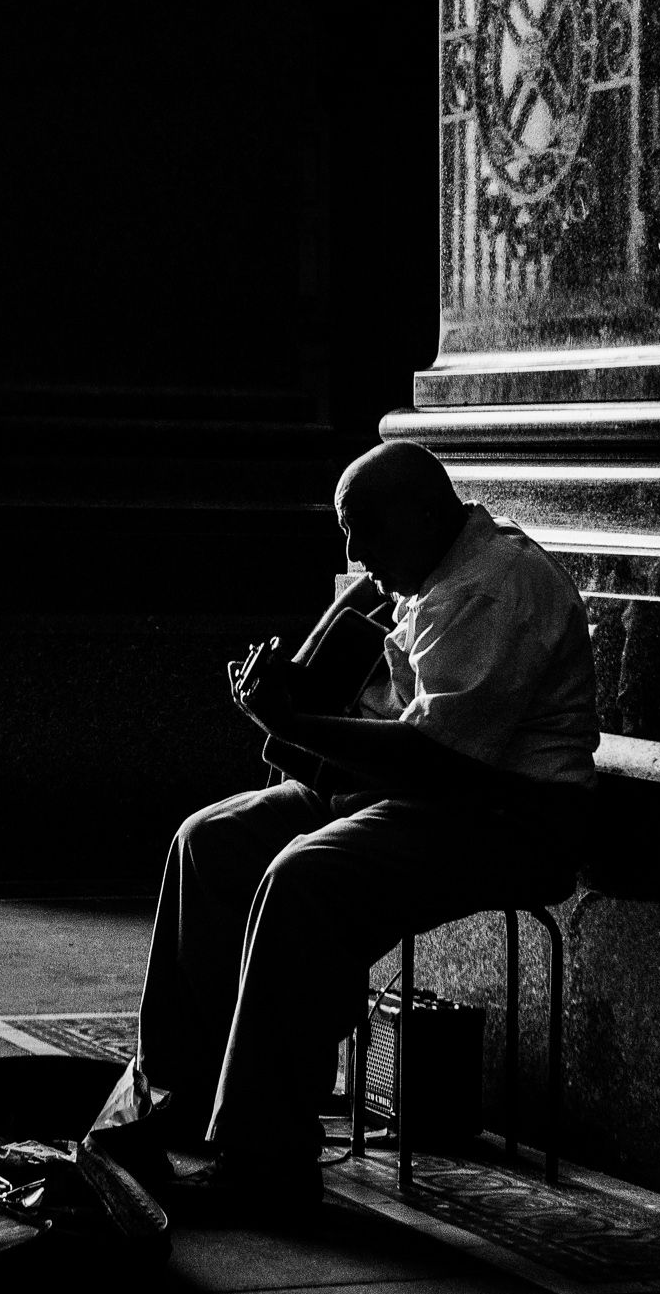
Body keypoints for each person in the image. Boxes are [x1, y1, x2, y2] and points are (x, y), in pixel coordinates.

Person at [136, 440, 599, 1212]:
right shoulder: (420, 569)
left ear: (423, 514)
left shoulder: (494, 584)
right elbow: (377, 727)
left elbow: (437, 760)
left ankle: (268, 1156)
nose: (352, 551)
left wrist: (300, 727)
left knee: (305, 881)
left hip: (504, 815)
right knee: (207, 841)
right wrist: (292, 701)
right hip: (407, 792)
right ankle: (183, 1095)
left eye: (364, 529)